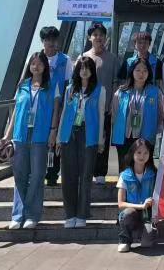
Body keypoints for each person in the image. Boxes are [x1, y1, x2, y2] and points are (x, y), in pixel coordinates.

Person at [0, 52, 61, 229]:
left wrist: (53, 131)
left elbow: (56, 110)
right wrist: (7, 135)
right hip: (20, 135)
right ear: (29, 66)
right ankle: (18, 215)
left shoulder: (52, 86)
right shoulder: (23, 86)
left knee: (38, 175)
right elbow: (16, 112)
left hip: (41, 135)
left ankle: (32, 215)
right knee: (20, 175)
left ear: (45, 66)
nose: (36, 66)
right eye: (33, 64)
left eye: (39, 63)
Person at [57, 56, 106, 228]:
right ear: (77, 71)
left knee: (85, 175)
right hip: (69, 133)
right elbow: (64, 112)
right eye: (81, 68)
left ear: (92, 71)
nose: (84, 71)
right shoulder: (70, 89)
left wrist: (100, 140)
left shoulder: (99, 90)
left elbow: (101, 115)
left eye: (87, 68)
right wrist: (59, 137)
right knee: (68, 175)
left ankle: (82, 214)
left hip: (89, 133)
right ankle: (70, 214)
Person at [112, 58, 164, 172]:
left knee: (144, 169)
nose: (141, 73)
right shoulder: (121, 92)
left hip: (146, 137)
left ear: (149, 73)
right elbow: (115, 114)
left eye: (145, 70)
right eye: (138, 70)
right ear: (132, 71)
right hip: (125, 136)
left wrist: (158, 133)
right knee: (125, 169)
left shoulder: (155, 92)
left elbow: (160, 115)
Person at [83, 22, 118, 186]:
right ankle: (86, 170)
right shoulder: (83, 57)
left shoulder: (112, 58)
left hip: (105, 108)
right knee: (86, 139)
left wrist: (112, 104)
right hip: (86, 109)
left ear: (106, 38)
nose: (98, 38)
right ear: (89, 37)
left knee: (102, 140)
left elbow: (116, 83)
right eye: (95, 35)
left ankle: (100, 172)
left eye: (101, 35)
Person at [40, 26, 72, 187]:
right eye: (47, 40)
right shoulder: (36, 58)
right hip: (39, 106)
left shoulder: (65, 60)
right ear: (43, 41)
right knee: (38, 140)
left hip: (58, 107)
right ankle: (37, 172)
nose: (51, 43)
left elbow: (68, 84)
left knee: (54, 141)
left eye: (54, 39)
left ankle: (51, 175)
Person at [116, 138, 157, 253]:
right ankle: (124, 240)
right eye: (138, 152)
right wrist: (141, 206)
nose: (142, 156)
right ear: (132, 153)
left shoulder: (153, 174)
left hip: (147, 214)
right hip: (131, 212)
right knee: (128, 213)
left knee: (146, 244)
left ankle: (143, 232)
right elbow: (120, 204)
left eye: (145, 153)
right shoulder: (125, 175)